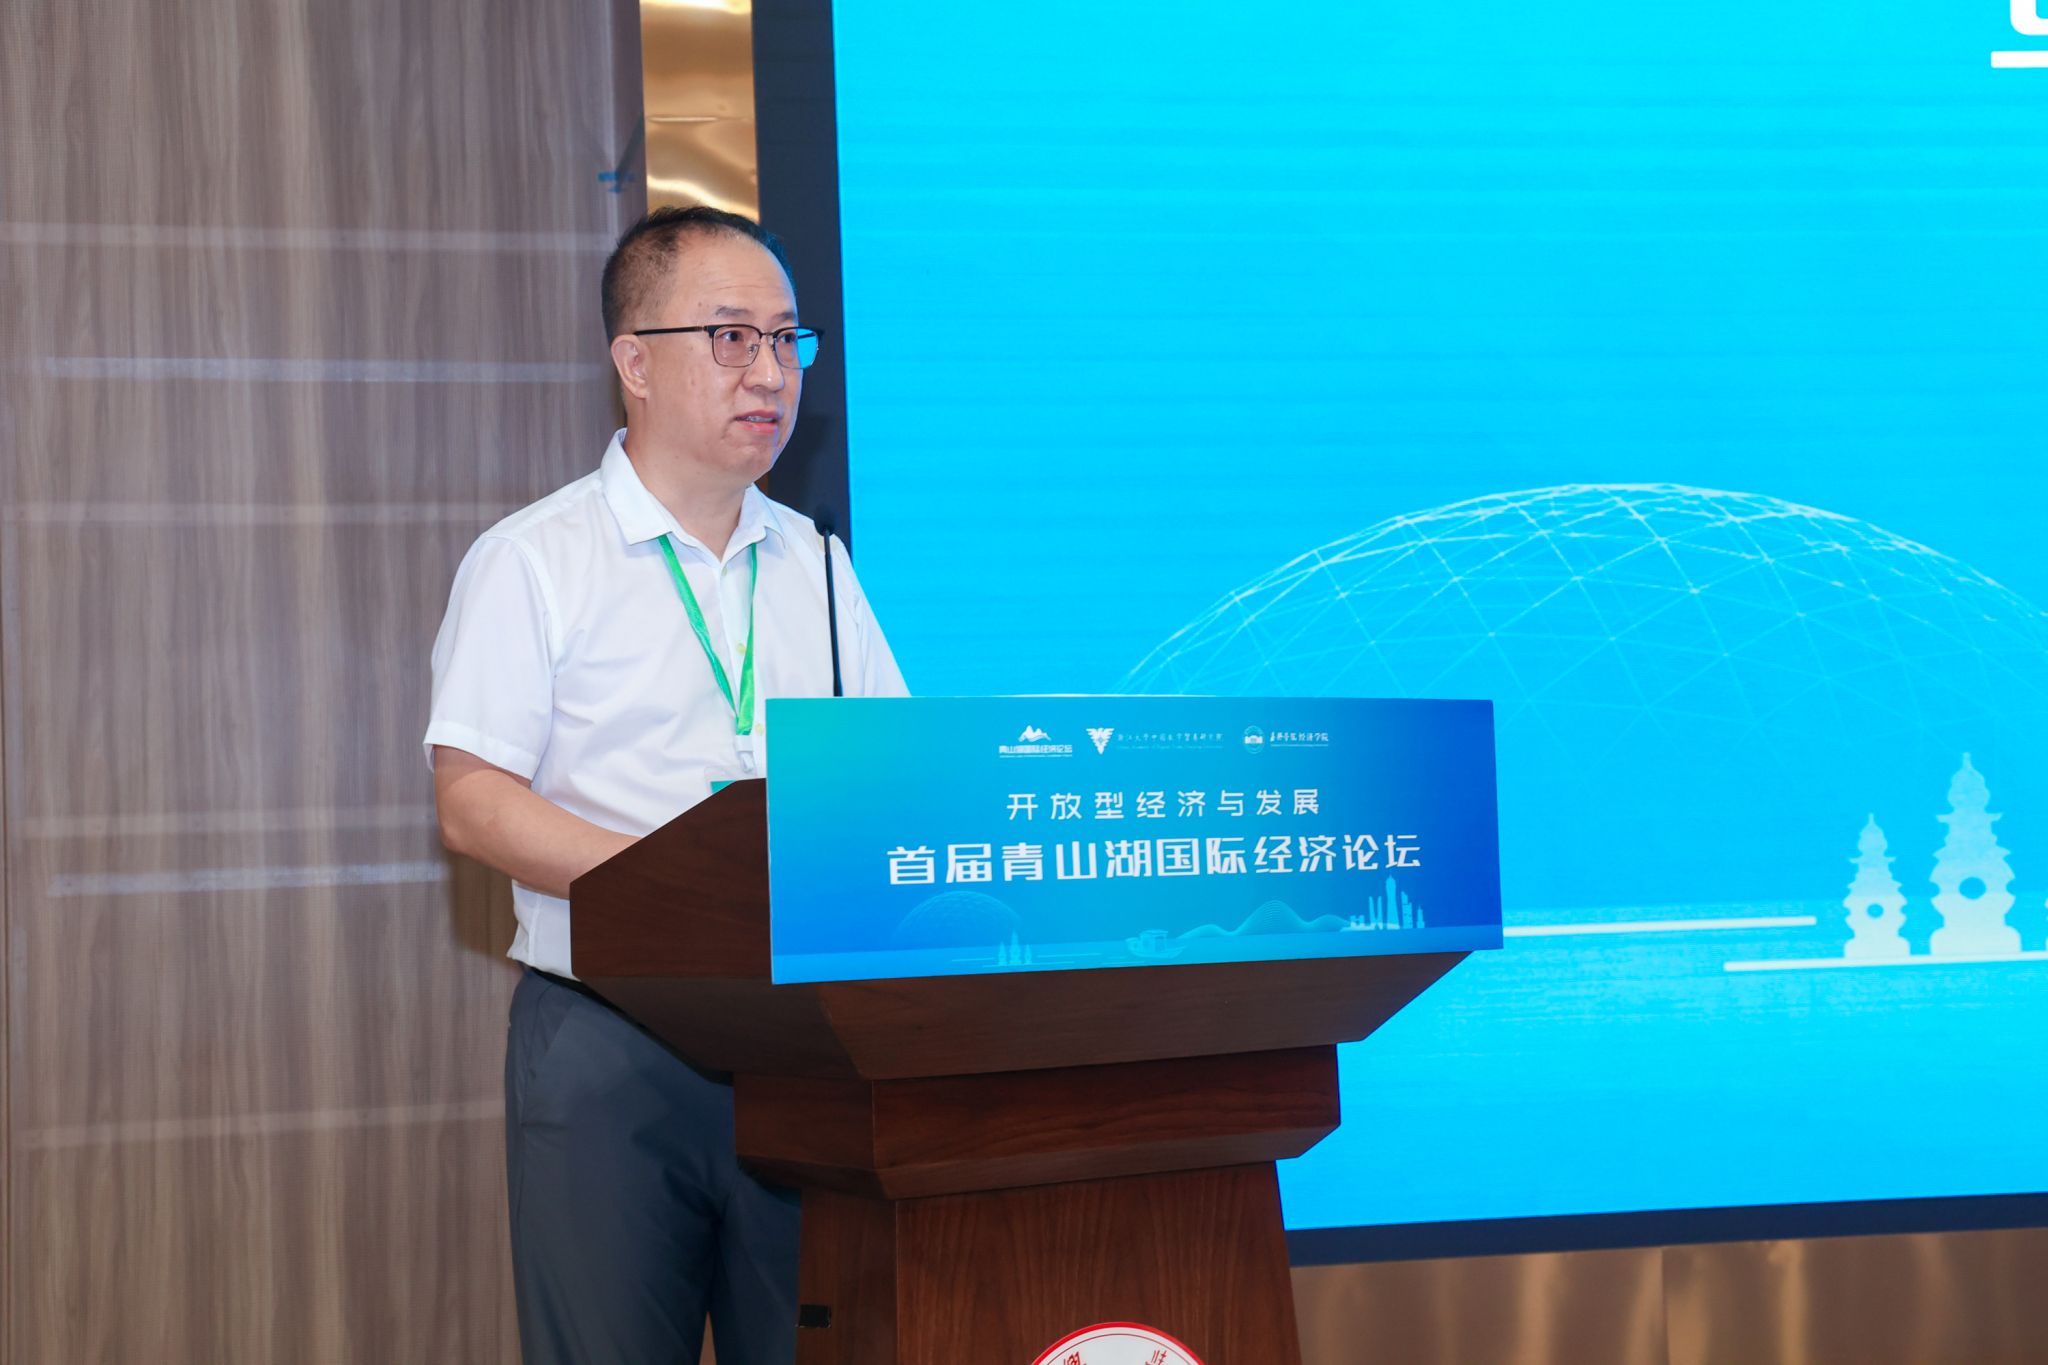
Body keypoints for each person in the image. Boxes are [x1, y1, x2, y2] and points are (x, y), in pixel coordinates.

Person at [425, 205, 907, 1364]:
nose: (770, 373)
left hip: (800, 1043)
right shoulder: (534, 559)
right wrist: (681, 891)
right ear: (634, 364)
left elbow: (891, 780)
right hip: (611, 1037)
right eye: (731, 337)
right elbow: (473, 799)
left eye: (786, 339)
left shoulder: (818, 565)